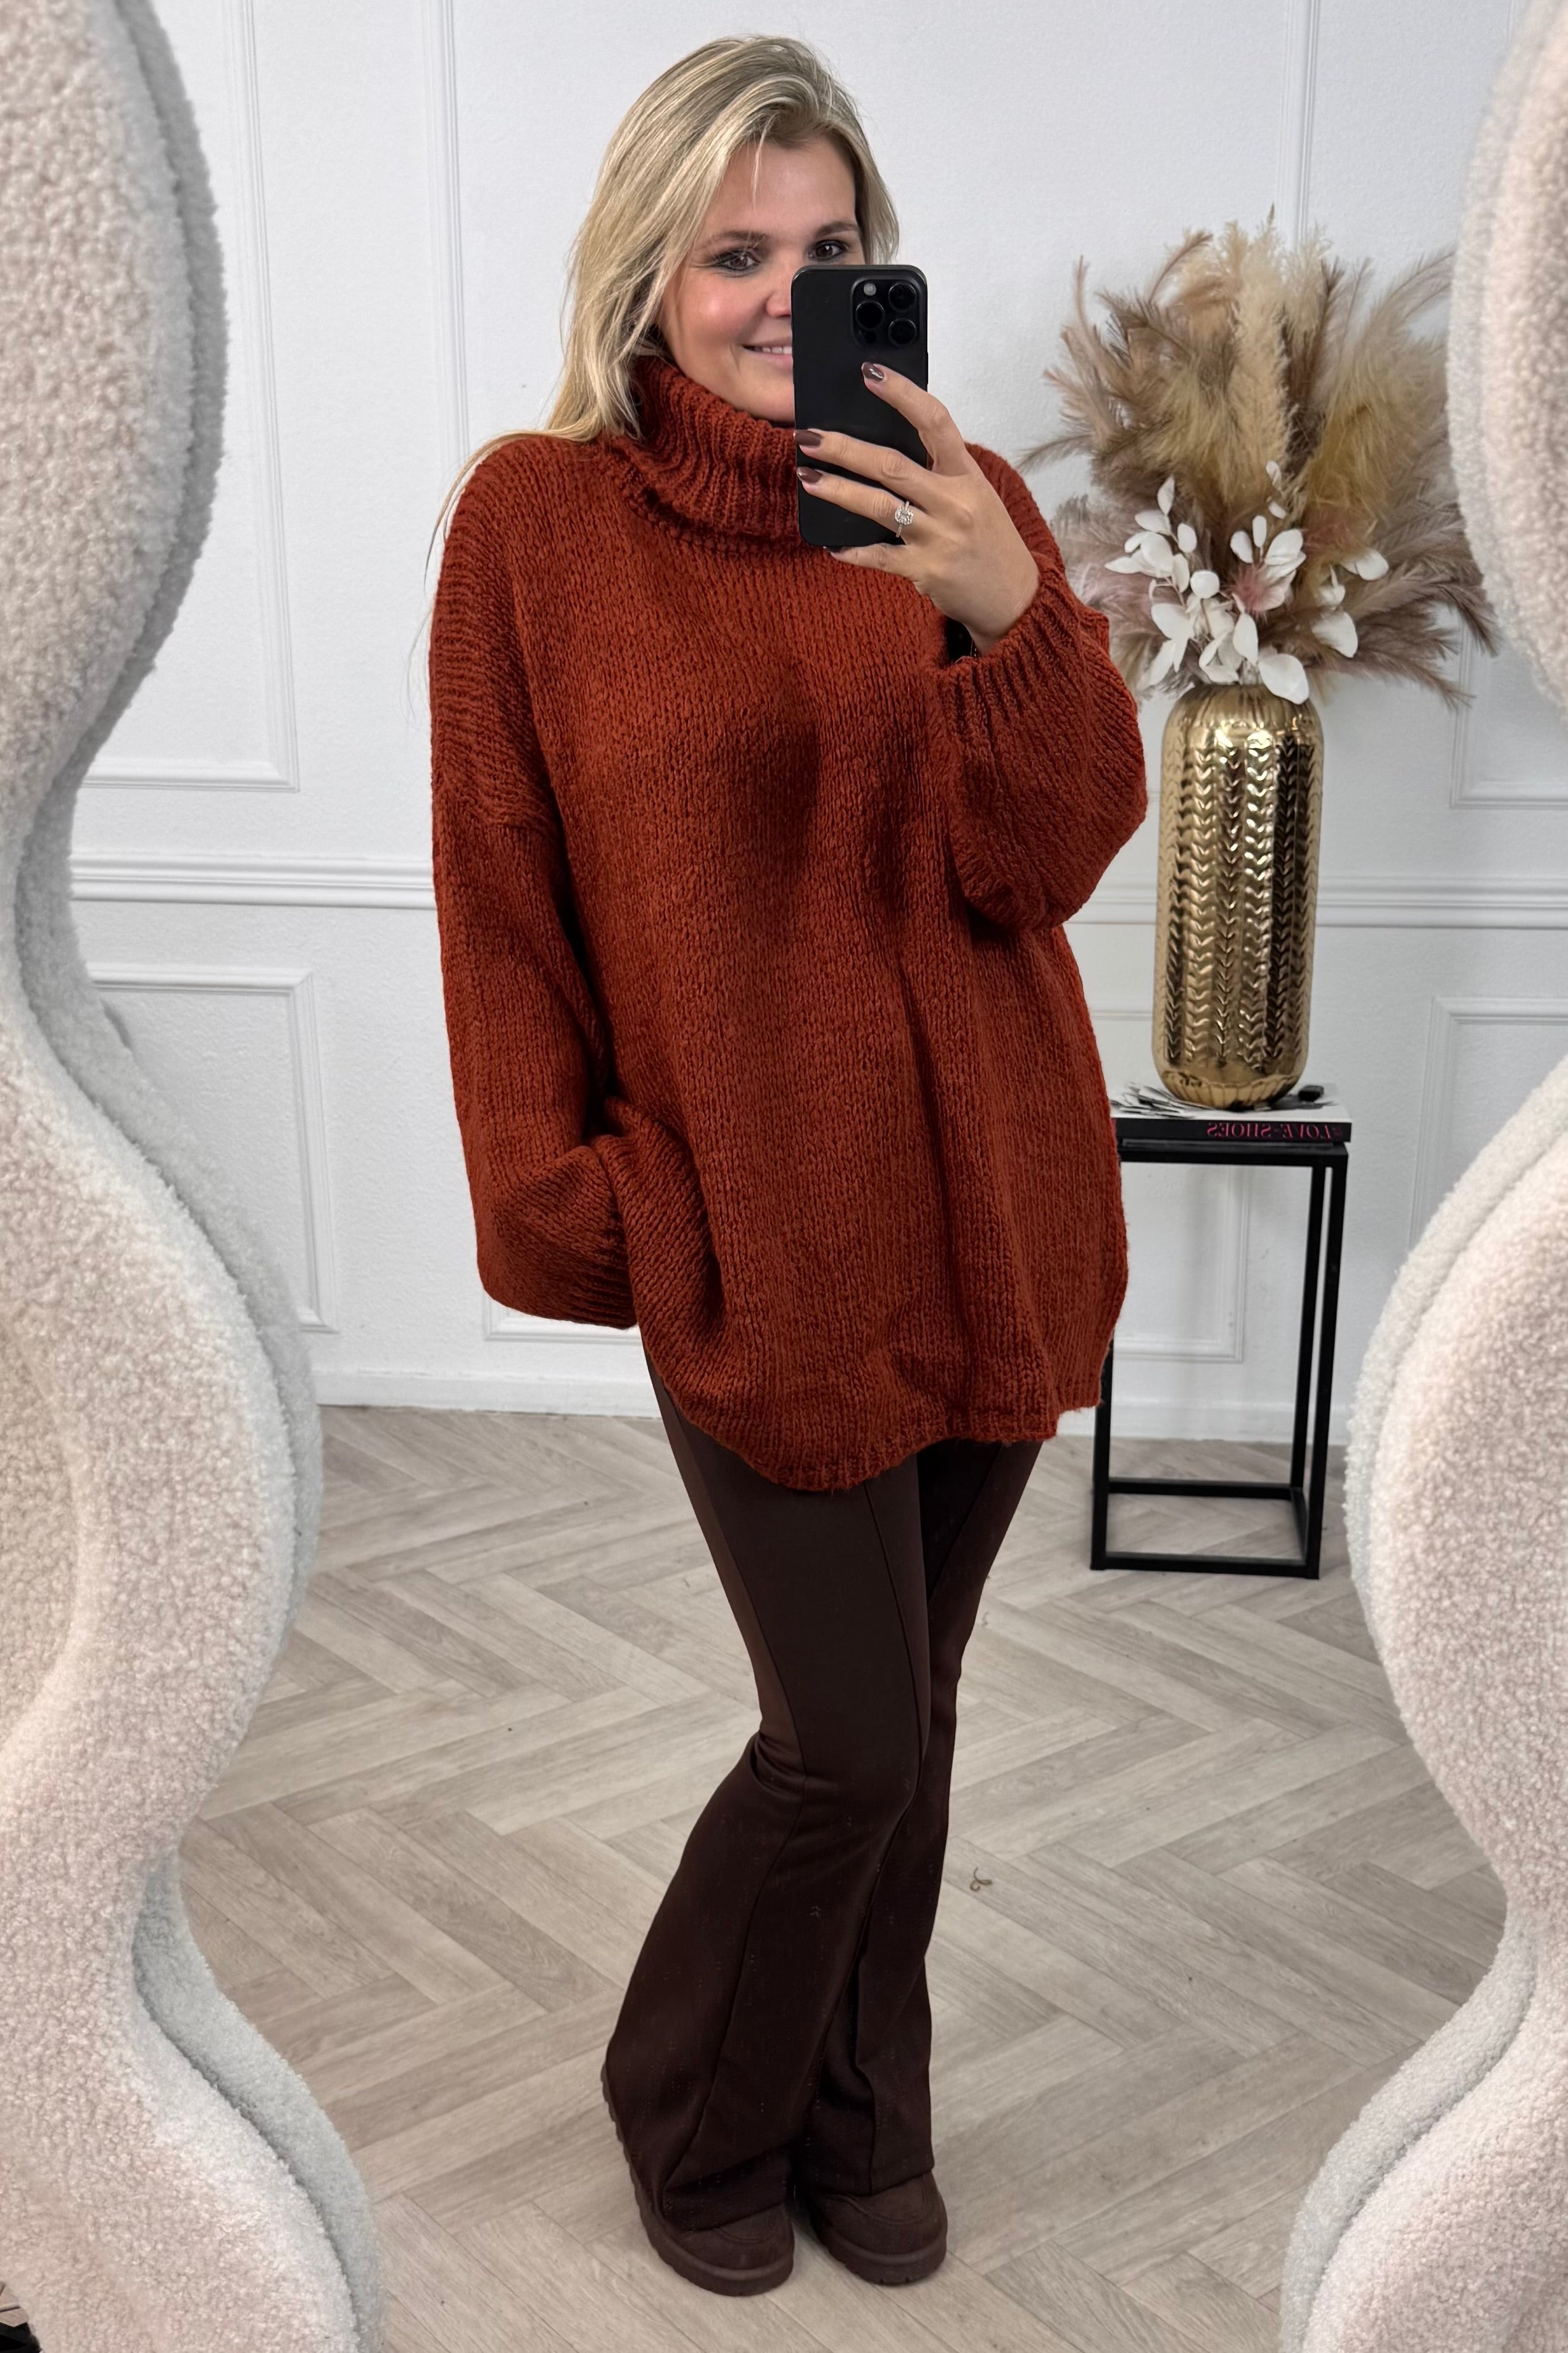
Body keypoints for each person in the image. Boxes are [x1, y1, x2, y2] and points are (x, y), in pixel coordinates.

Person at [426, 31, 1147, 2302]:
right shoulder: (538, 527)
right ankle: (696, 2105)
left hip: (994, 1206)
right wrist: (588, 1202)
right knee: (842, 1740)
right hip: (757, 1235)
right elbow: (501, 892)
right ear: (649, 267)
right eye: (736, 251)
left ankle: (862, 2109)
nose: (780, 296)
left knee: (906, 1722)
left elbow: (1052, 857)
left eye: (830, 252)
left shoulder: (960, 497)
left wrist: (1007, 615)